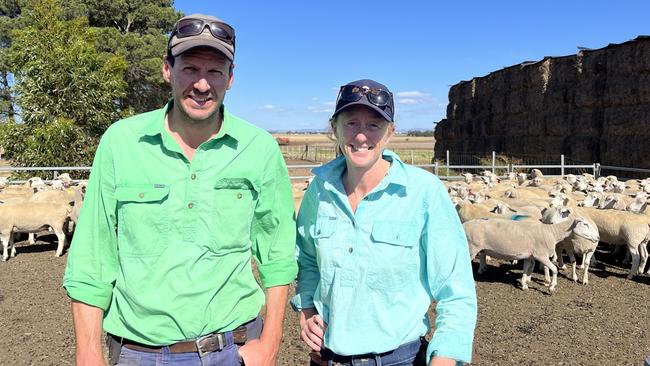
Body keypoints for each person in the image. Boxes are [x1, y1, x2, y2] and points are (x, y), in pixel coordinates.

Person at [63, 13, 297, 366]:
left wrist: (270, 343)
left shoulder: (259, 148)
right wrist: (88, 354)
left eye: (215, 71)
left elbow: (277, 253)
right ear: (167, 70)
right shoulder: (122, 143)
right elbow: (92, 258)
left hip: (233, 350)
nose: (202, 84)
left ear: (230, 78)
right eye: (190, 68)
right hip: (139, 353)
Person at [291, 79, 477, 366]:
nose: (361, 136)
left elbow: (456, 289)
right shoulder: (320, 190)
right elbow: (307, 258)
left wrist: (446, 357)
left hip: (398, 359)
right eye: (351, 123)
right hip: (327, 359)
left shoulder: (423, 192)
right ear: (335, 129)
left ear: (390, 133)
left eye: (374, 125)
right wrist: (306, 310)